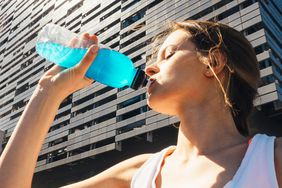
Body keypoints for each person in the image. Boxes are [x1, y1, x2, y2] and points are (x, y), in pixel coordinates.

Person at [0, 20, 281, 188]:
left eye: (167, 55)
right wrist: (47, 92)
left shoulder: (272, 159)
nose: (149, 69)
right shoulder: (139, 172)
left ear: (214, 63)